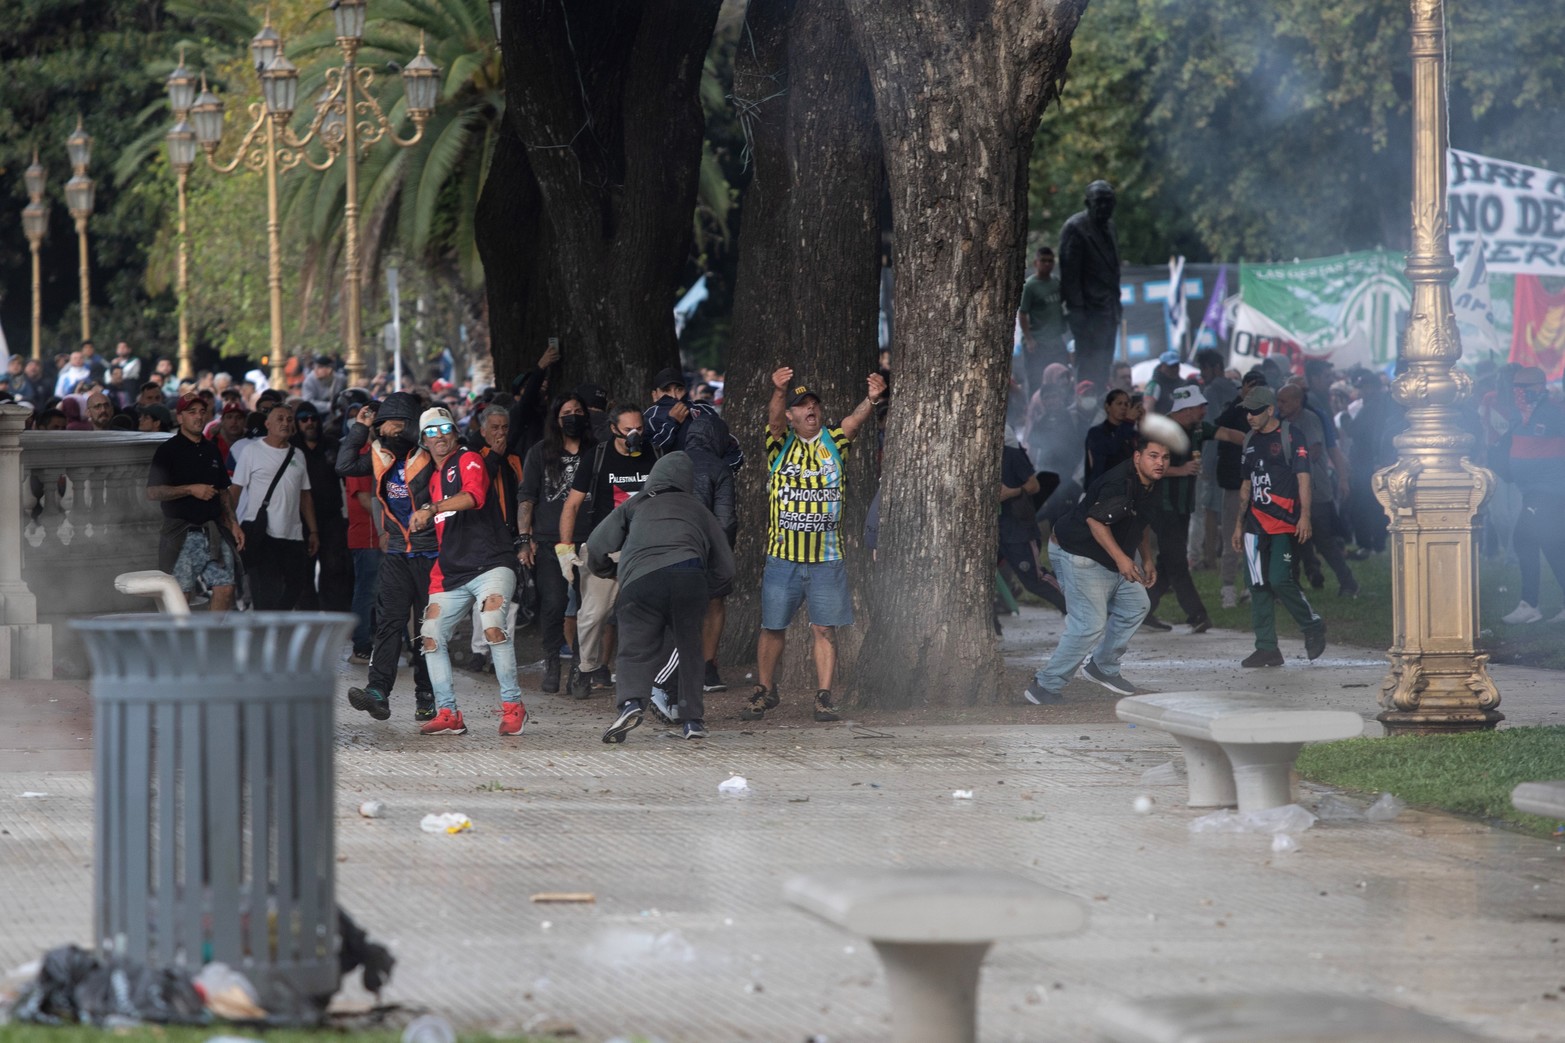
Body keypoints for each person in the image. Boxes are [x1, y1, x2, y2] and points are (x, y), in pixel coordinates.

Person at [744, 366, 886, 723]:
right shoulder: (779, 445)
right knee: (772, 627)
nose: (811, 409)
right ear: (792, 415)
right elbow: (774, 420)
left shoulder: (833, 441)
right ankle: (764, 690)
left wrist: (871, 399)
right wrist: (779, 391)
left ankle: (823, 696)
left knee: (824, 629)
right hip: (783, 558)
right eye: (802, 405)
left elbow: (854, 421)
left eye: (814, 405)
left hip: (826, 558)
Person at [589, 451, 736, 743]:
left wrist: (608, 570)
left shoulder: (635, 503)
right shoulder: (698, 509)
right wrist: (702, 586)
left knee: (634, 648)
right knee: (690, 649)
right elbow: (727, 568)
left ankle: (630, 703)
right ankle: (692, 720)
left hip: (640, 581)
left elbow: (596, 544)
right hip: (689, 576)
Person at [409, 407, 528, 737]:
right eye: (432, 431)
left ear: (456, 432)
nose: (440, 435)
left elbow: (474, 496)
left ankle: (513, 706)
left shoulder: (468, 458)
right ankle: (448, 713)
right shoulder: (432, 479)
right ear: (423, 441)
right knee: (430, 636)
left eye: (446, 428)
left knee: (492, 626)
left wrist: (431, 508)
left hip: (491, 563)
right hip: (450, 572)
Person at [1024, 435, 1170, 704]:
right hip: (1078, 553)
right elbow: (1096, 521)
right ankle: (1044, 687)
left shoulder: (1153, 483)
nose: (1160, 463)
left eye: (1164, 457)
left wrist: (1146, 558)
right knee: (1088, 625)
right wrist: (1123, 560)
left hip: (1109, 554)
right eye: (1153, 456)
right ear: (1137, 457)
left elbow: (1141, 522)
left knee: (1136, 605)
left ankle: (1102, 666)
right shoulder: (1119, 483)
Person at [336, 392, 438, 722]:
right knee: (389, 625)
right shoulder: (379, 454)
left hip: (431, 553)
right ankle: (378, 693)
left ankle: (427, 695)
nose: (385, 431)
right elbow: (344, 464)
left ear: (410, 425)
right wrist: (359, 428)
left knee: (427, 628)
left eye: (392, 424)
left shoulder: (431, 454)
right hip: (396, 553)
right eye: (381, 425)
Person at [556, 404, 656, 697]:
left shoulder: (656, 454)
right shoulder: (597, 457)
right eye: (628, 430)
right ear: (614, 429)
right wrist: (565, 548)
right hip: (605, 549)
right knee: (593, 614)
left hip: (645, 548)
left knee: (649, 615)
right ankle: (584, 667)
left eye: (639, 428)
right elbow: (571, 505)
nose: (635, 434)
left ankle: (651, 676)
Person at [1232, 385, 1327, 667]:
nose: (1249, 416)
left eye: (1255, 411)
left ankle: (1312, 625)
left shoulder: (1290, 435)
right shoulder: (1249, 439)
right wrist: (1238, 525)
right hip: (1254, 526)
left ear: (1270, 410)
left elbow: (1303, 478)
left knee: (1279, 579)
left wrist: (1305, 516)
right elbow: (1246, 485)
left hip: (1285, 524)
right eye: (1247, 411)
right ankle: (1266, 647)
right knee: (1257, 584)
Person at [1143, 384, 1241, 633]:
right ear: (1185, 409)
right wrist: (1181, 470)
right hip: (1162, 506)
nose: (1204, 411)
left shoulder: (1196, 428)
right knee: (1177, 562)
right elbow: (1148, 466)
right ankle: (1197, 614)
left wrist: (1255, 441)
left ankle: (1139, 611)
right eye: (1200, 407)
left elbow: (1227, 434)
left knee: (1167, 562)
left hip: (1183, 506)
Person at [519, 393, 593, 693]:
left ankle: (581, 667)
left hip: (590, 540)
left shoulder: (596, 451)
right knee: (553, 606)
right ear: (556, 418)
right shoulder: (540, 452)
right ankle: (552, 660)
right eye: (567, 412)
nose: (573, 416)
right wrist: (525, 539)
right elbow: (527, 497)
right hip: (549, 542)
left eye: (578, 411)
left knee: (589, 609)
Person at [146, 395, 245, 610]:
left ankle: (210, 639)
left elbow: (223, 491)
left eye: (202, 411)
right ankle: (180, 642)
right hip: (182, 531)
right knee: (181, 596)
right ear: (180, 417)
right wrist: (191, 489)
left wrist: (233, 523)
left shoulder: (212, 449)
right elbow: (153, 492)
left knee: (226, 588)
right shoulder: (167, 450)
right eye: (192, 412)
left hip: (212, 531)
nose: (198, 417)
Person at [231, 404, 317, 611]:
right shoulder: (251, 451)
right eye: (279, 418)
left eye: (289, 419)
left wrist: (313, 531)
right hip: (262, 532)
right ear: (267, 424)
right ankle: (267, 635)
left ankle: (276, 628)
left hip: (293, 534)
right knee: (266, 590)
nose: (285, 423)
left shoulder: (298, 455)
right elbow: (235, 492)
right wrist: (233, 525)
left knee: (296, 585)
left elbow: (305, 495)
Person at [1277, 383, 1358, 598]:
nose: (1280, 405)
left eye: (1284, 401)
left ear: (1297, 401)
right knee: (1291, 542)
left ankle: (1349, 583)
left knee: (1324, 542)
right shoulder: (1282, 422)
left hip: (1314, 492)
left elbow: (1313, 451)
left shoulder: (1309, 420)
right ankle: (1292, 587)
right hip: (1292, 493)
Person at [1498, 367, 1565, 624]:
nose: (1520, 392)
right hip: (1531, 490)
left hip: (1550, 490)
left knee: (1524, 538)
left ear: (1539, 386)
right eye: (1517, 387)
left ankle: (1530, 604)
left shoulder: (1555, 412)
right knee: (1552, 545)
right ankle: (1535, 604)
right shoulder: (1521, 415)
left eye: (1525, 387)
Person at [462, 405, 524, 671]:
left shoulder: (513, 459)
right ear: (483, 430)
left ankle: (501, 651)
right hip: (482, 536)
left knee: (509, 598)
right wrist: (494, 457)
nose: (501, 433)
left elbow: (523, 496)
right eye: (495, 428)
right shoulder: (473, 456)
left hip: (508, 536)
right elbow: (477, 487)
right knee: (482, 597)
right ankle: (479, 650)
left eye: (505, 427)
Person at [1057, 180, 1123, 390]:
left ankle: (1101, 409)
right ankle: (1085, 411)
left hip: (1109, 311)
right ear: (1088, 202)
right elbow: (1070, 277)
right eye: (1100, 202)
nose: (1105, 207)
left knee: (1104, 365)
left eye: (1109, 202)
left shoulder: (1110, 228)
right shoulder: (1075, 228)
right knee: (1088, 368)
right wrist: (1077, 314)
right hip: (1088, 314)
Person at [292, 401, 353, 612]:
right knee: (302, 573)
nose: (310, 423)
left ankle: (335, 620)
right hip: (299, 520)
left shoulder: (332, 444)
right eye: (304, 419)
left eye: (313, 418)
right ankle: (309, 621)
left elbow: (346, 479)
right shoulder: (291, 448)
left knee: (335, 569)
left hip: (332, 518)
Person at [644, 366, 743, 471]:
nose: (673, 396)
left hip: (707, 479)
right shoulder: (650, 417)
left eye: (679, 389)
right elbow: (651, 454)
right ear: (655, 395)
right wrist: (672, 422)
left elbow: (731, 448)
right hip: (671, 480)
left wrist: (718, 472)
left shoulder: (704, 410)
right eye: (666, 390)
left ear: (686, 390)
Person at [1016, 246, 1069, 393]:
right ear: (1036, 263)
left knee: (1061, 377)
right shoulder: (1030, 286)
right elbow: (1022, 313)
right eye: (1043, 260)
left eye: (1050, 261)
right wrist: (1029, 339)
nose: (1047, 264)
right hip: (1038, 343)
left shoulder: (1056, 283)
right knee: (1037, 382)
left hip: (1056, 341)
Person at [1083, 388, 1136, 489]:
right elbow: (1110, 449)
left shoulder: (1131, 433)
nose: (1123, 408)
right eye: (1119, 403)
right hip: (1101, 491)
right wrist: (1128, 423)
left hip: (1126, 490)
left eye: (1126, 404)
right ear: (1107, 407)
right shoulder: (1096, 432)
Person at [1144, 351, 1191, 415]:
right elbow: (1148, 408)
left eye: (1176, 366)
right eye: (1171, 366)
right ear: (1162, 366)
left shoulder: (1184, 384)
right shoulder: (1154, 385)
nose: (1174, 369)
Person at [301, 356, 344, 421]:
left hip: (337, 413)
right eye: (315, 367)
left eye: (320, 367)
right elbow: (308, 402)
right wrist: (329, 406)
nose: (316, 370)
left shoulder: (340, 379)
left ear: (330, 369)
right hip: (316, 414)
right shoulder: (309, 381)